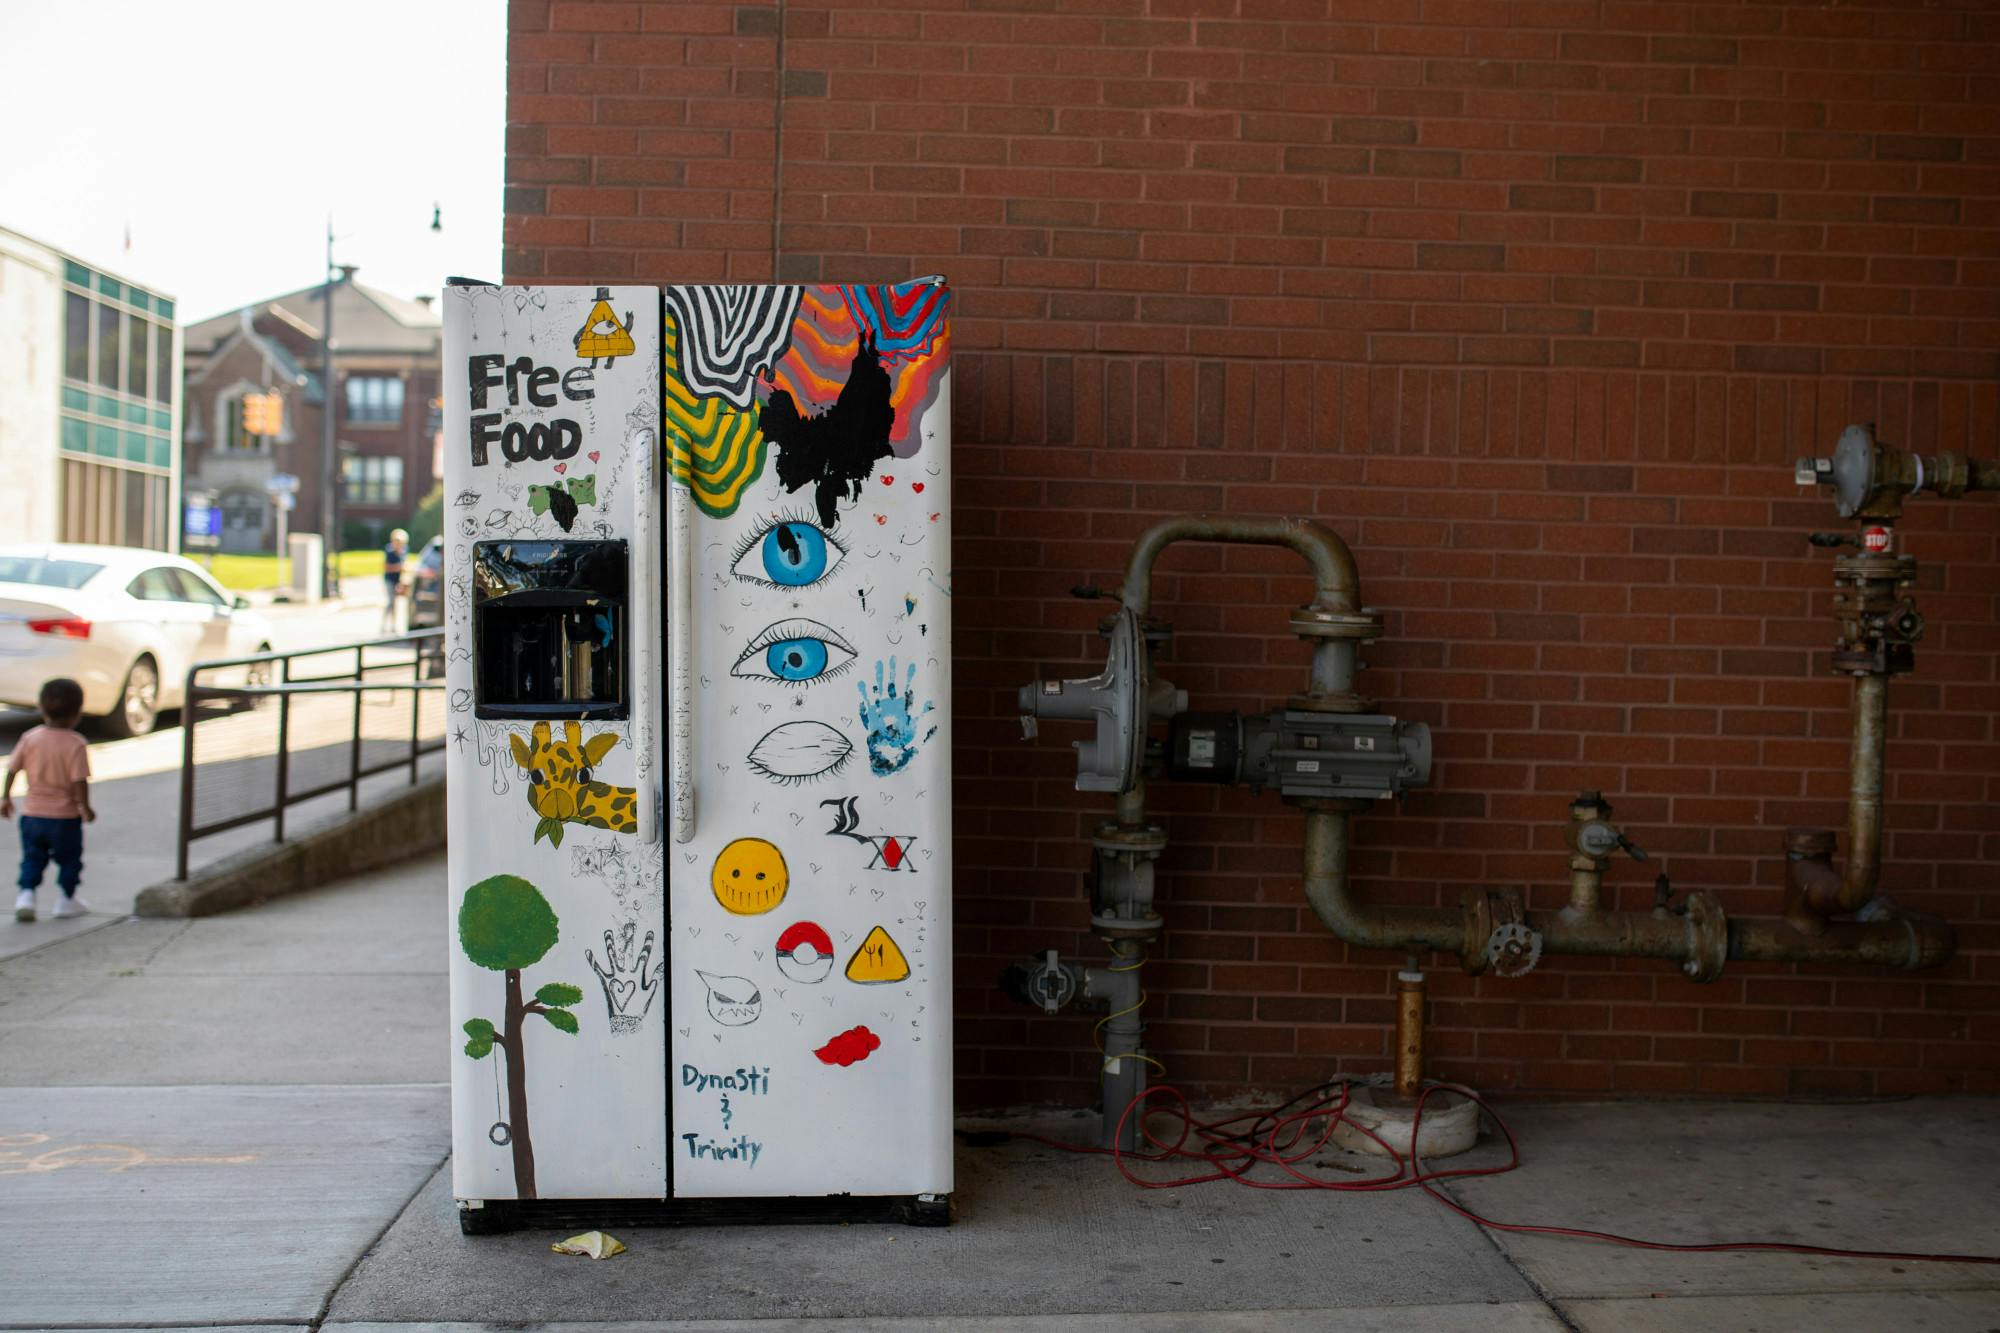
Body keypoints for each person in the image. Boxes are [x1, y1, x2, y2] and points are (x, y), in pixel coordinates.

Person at [4, 677, 95, 922]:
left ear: (42, 708)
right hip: (64, 817)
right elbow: (79, 781)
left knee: (33, 857)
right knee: (69, 859)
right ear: (77, 712)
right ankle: (66, 899)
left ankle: (26, 895)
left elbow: (12, 769)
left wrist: (5, 798)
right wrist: (84, 807)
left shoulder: (30, 738)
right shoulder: (76, 744)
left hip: (32, 814)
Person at [382, 528, 409, 633]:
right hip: (389, 579)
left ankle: (393, 625)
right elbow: (386, 567)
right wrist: (398, 567)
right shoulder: (390, 552)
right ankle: (384, 624)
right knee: (390, 602)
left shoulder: (403, 551)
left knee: (395, 603)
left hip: (398, 580)